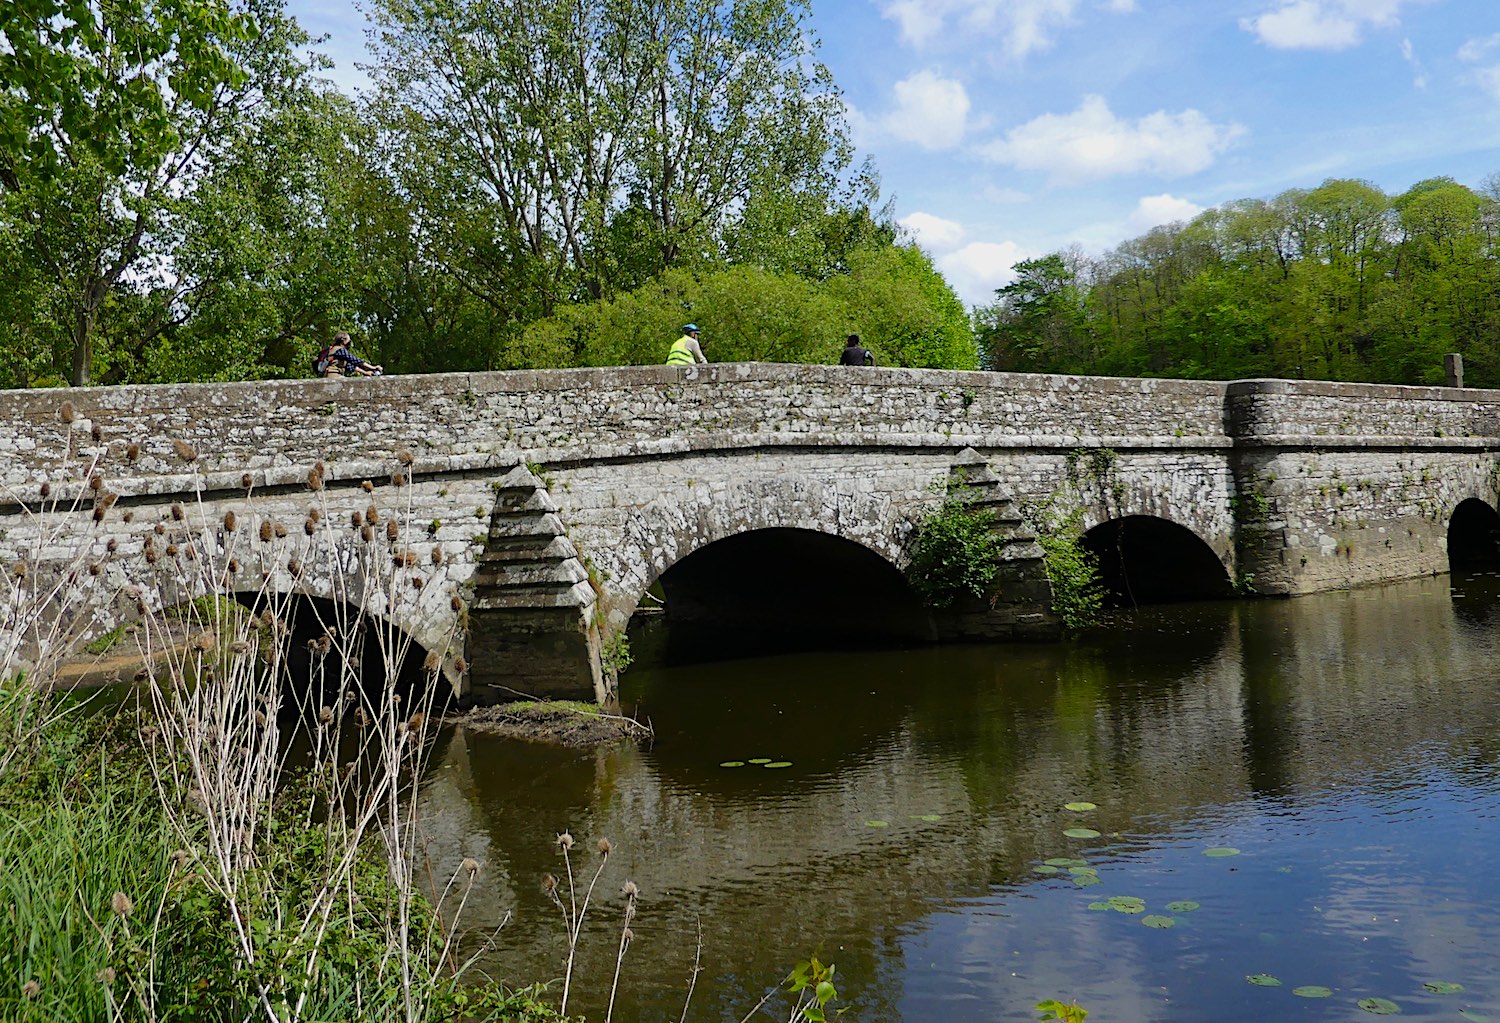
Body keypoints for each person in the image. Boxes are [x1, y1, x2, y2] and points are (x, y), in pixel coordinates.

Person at [319, 331, 383, 377]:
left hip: (333, 375)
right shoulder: (340, 350)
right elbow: (355, 360)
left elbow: (350, 366)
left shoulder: (337, 351)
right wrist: (373, 367)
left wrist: (365, 372)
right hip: (333, 376)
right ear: (343, 340)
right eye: (348, 340)